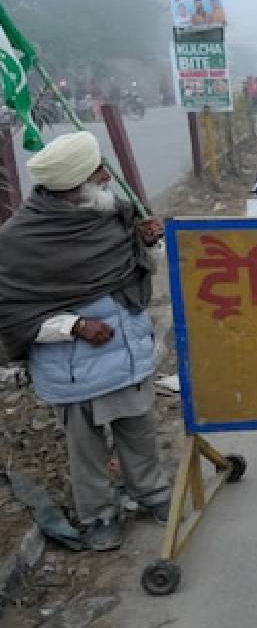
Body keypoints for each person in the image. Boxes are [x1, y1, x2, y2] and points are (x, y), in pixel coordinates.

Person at [0, 132, 172, 551]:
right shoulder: (20, 239)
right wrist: (73, 327)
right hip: (74, 367)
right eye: (99, 171)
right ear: (77, 181)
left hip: (128, 351)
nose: (107, 178)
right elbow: (11, 311)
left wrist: (146, 239)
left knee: (139, 431)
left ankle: (152, 494)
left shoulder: (113, 211)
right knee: (86, 449)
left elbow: (136, 264)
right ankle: (99, 515)